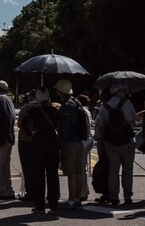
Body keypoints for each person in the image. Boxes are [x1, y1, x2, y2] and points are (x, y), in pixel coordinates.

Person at [95, 83, 136, 205]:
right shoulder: (127, 104)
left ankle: (114, 196)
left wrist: (105, 141)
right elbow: (134, 121)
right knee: (128, 170)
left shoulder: (104, 107)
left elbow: (100, 126)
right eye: (123, 91)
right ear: (117, 92)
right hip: (127, 142)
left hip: (111, 143)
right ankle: (127, 196)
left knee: (113, 169)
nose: (125, 93)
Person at [28, 87, 60, 214]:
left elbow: (24, 123)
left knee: (39, 175)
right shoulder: (54, 110)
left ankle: (40, 205)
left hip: (39, 142)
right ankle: (54, 204)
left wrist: (31, 132)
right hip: (52, 142)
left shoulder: (34, 110)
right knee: (53, 174)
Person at [55, 79, 84, 209]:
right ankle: (77, 198)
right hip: (79, 141)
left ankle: (71, 199)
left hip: (69, 142)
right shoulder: (77, 102)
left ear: (61, 92)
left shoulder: (66, 106)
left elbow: (64, 128)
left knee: (71, 172)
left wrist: (60, 145)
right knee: (79, 172)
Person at [16, 89, 35, 202]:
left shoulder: (26, 108)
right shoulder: (43, 107)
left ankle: (30, 192)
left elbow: (19, 124)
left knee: (27, 167)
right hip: (38, 140)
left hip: (25, 140)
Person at [77, 94, 94, 201]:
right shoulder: (87, 111)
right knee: (84, 167)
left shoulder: (80, 111)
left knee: (81, 167)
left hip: (83, 142)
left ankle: (82, 192)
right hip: (89, 140)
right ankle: (85, 189)